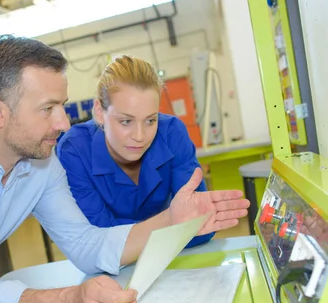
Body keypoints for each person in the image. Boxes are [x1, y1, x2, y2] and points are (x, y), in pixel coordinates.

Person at [0, 36, 249, 303]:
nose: (64, 123)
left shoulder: (42, 163)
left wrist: (170, 222)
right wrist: (70, 302)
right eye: (47, 109)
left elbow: (84, 243)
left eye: (62, 106)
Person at [57, 55, 213, 248]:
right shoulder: (75, 150)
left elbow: (201, 226)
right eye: (126, 121)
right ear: (99, 112)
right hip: (109, 271)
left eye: (150, 120)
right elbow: (96, 239)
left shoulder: (172, 133)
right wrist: (173, 223)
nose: (139, 136)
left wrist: (126, 236)